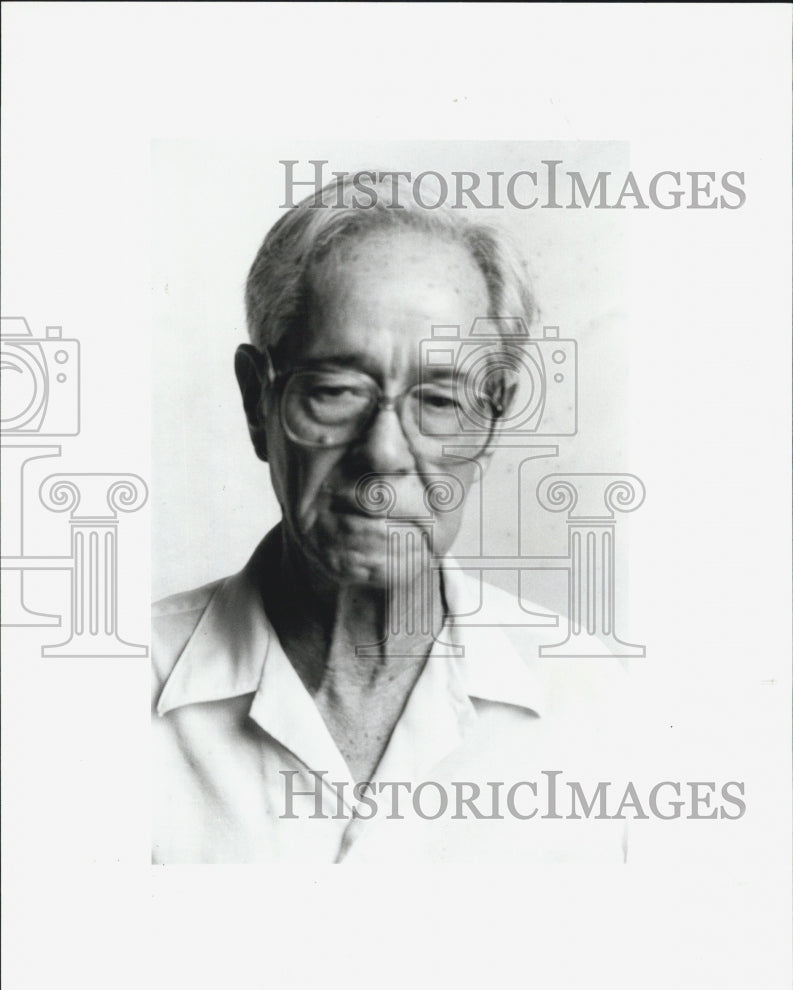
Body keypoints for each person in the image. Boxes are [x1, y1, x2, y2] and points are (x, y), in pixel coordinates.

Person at [152, 174, 627, 863]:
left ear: (489, 428)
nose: (381, 453)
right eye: (336, 390)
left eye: (438, 402)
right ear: (259, 404)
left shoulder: (594, 705)